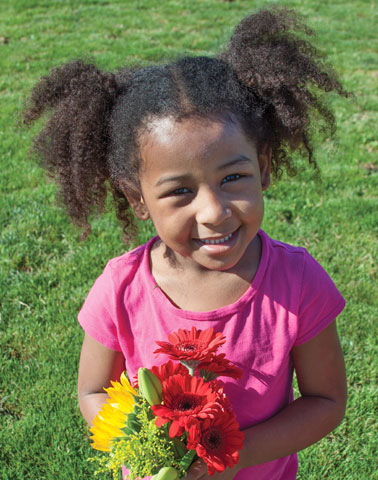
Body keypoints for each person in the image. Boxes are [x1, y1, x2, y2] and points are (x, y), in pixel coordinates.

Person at [24, 7, 348, 479]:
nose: (214, 211)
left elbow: (326, 401)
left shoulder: (298, 283)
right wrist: (143, 452)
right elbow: (93, 392)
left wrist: (231, 453)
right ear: (137, 198)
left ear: (265, 166)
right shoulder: (121, 287)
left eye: (234, 177)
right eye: (180, 191)